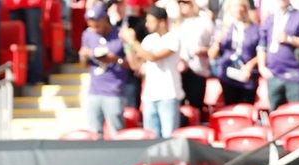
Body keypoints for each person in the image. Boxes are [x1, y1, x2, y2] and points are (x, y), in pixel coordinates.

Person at [123, 6, 183, 138]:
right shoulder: (148, 40)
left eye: (150, 21)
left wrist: (133, 41)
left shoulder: (173, 38)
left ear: (161, 22)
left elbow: (153, 57)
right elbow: (135, 64)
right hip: (150, 96)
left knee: (169, 138)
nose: (146, 25)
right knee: (150, 138)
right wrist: (127, 44)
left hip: (168, 95)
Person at [80, 3, 128, 138]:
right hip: (94, 90)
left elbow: (132, 64)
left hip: (114, 90)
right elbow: (84, 64)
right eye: (91, 26)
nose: (95, 29)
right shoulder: (88, 35)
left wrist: (115, 59)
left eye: (97, 25)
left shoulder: (120, 35)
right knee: (95, 133)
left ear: (105, 19)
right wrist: (84, 55)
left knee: (117, 132)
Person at [257, 0, 299, 110]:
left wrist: (289, 39)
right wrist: (261, 67)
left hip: (295, 75)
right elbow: (261, 46)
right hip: (273, 75)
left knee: (297, 114)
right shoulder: (270, 19)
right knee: (275, 116)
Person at [209, 0, 259, 105]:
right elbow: (212, 55)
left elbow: (262, 52)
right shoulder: (224, 29)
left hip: (247, 75)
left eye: (241, 6)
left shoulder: (254, 29)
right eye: (235, 6)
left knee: (246, 108)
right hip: (228, 75)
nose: (238, 9)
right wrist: (218, 40)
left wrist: (251, 64)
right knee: (230, 107)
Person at [177, 0, 214, 112]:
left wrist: (204, 50)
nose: (183, 6)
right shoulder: (177, 23)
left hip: (198, 70)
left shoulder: (204, 22)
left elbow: (213, 47)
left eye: (186, 2)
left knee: (196, 107)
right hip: (180, 71)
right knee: (180, 108)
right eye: (180, 3)